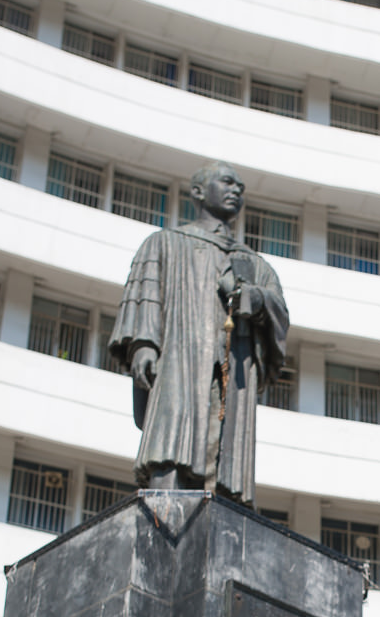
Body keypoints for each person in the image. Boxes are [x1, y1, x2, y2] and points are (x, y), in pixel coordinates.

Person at [109, 159, 289, 504]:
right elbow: (146, 296)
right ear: (197, 191)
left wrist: (255, 299)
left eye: (241, 187)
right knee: (172, 435)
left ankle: (222, 504)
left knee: (223, 452)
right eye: (226, 182)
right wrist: (144, 345)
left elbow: (279, 314)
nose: (236, 190)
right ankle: (164, 503)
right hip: (181, 355)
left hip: (232, 367)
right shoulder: (165, 243)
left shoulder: (255, 263)